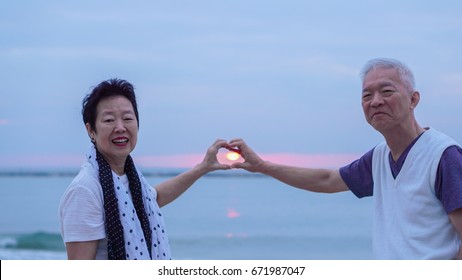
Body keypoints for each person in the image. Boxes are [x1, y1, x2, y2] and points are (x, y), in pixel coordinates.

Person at [228, 58, 462, 260]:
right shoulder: (380, 157)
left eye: (387, 91)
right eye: (367, 95)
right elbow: (327, 180)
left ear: (413, 99)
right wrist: (261, 166)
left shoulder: (443, 156)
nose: (375, 101)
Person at [59, 78, 232, 260]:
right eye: (109, 120)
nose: (120, 127)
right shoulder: (85, 190)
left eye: (127, 118)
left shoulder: (129, 178)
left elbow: (154, 198)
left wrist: (203, 168)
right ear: (91, 130)